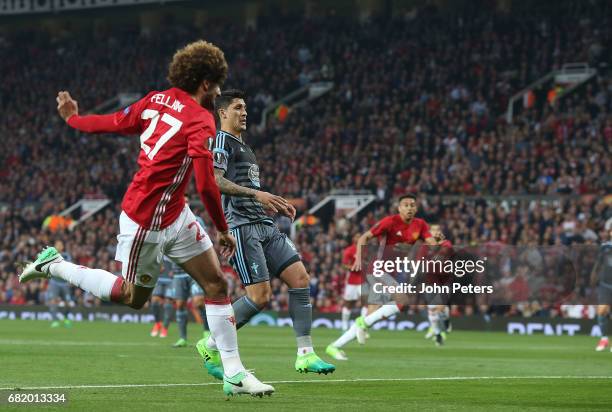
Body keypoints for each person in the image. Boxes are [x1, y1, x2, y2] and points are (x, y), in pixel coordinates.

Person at [19, 41, 273, 397]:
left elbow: (111, 123)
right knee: (131, 297)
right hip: (145, 222)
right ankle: (56, 265)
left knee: (217, 285)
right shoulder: (200, 120)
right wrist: (221, 228)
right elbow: (205, 182)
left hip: (175, 213)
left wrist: (73, 118)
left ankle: (234, 372)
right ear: (204, 82)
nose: (217, 92)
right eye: (216, 84)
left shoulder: (155, 99)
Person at [196, 89, 335, 377]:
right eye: (237, 107)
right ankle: (209, 342)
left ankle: (306, 354)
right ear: (222, 113)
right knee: (259, 297)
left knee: (300, 279)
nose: (244, 112)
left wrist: (273, 203)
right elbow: (215, 180)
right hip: (243, 228)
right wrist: (256, 196)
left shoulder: (246, 147)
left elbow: (249, 189)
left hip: (265, 225)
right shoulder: (222, 141)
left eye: (245, 107)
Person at [326, 194, 436, 360]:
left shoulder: (420, 225)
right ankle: (361, 324)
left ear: (416, 208)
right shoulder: (390, 222)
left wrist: (437, 241)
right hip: (378, 269)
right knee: (401, 301)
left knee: (370, 317)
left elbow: (432, 244)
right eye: (405, 205)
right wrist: (357, 257)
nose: (409, 208)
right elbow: (364, 237)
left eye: (412, 205)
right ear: (399, 208)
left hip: (394, 271)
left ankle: (335, 346)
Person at [340, 234, 367, 331]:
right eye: (357, 236)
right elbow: (344, 265)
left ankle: (362, 326)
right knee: (348, 303)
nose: (359, 238)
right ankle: (344, 325)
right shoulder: (349, 250)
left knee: (365, 301)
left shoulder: (365, 250)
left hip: (363, 280)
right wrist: (353, 267)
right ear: (353, 239)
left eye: (360, 236)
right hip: (351, 280)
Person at [592, 224, 612, 352]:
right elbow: (598, 263)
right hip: (605, 284)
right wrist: (593, 274)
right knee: (601, 312)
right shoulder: (605, 247)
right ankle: (604, 339)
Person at [45, 240, 74, 328]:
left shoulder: (66, 256)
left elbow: (69, 268)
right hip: (54, 282)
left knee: (68, 303)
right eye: (57, 245)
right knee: (53, 301)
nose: (59, 246)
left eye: (60, 245)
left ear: (62, 247)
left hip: (65, 283)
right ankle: (55, 320)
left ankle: (66, 319)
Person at [149, 262, 173, 338]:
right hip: (158, 278)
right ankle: (157, 323)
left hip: (171, 279)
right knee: (154, 302)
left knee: (168, 303)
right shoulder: (158, 249)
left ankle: (165, 327)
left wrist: (174, 270)